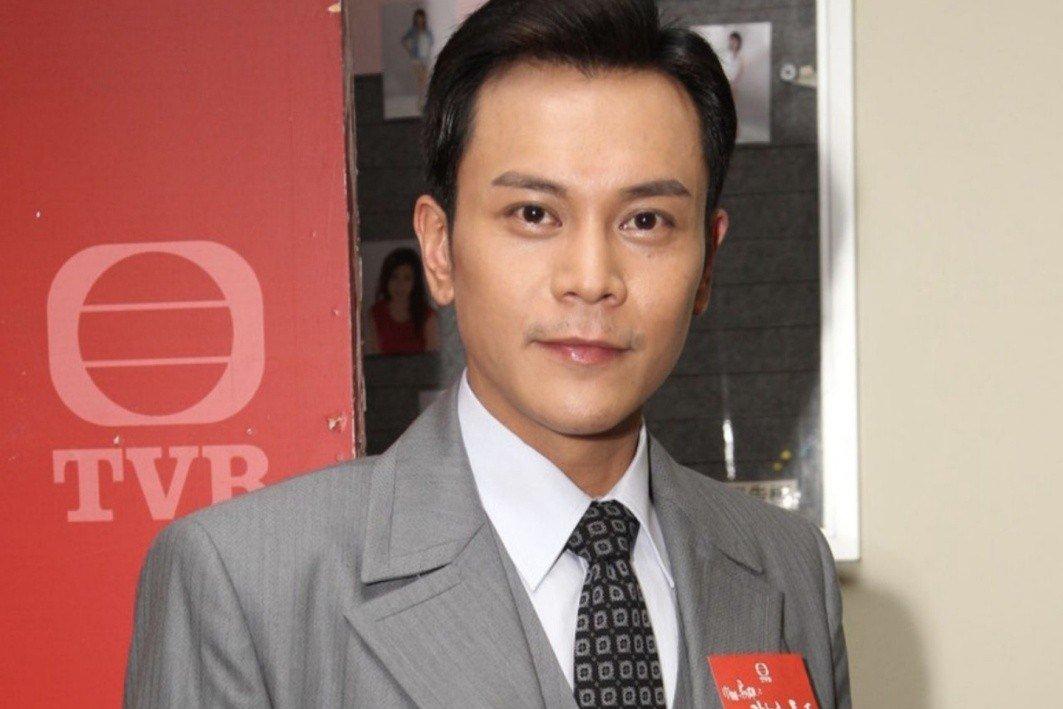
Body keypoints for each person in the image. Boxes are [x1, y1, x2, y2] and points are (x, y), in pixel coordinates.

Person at [123, 1, 851, 706]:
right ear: (440, 247)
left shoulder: (788, 567)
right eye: (533, 214)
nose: (590, 278)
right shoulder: (246, 582)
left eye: (646, 221)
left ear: (707, 261)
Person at [364, 247, 439, 355]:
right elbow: (375, 357)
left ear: (415, 283)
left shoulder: (428, 317)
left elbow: (432, 359)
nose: (400, 285)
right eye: (394, 277)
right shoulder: (375, 315)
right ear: (386, 279)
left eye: (407, 278)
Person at [400, 8, 433, 113]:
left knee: (422, 81)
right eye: (418, 18)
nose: (419, 20)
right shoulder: (413, 30)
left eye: (421, 17)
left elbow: (431, 42)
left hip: (425, 59)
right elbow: (404, 40)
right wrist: (410, 50)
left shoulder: (427, 30)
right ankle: (423, 103)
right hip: (416, 59)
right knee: (423, 80)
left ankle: (421, 102)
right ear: (415, 19)